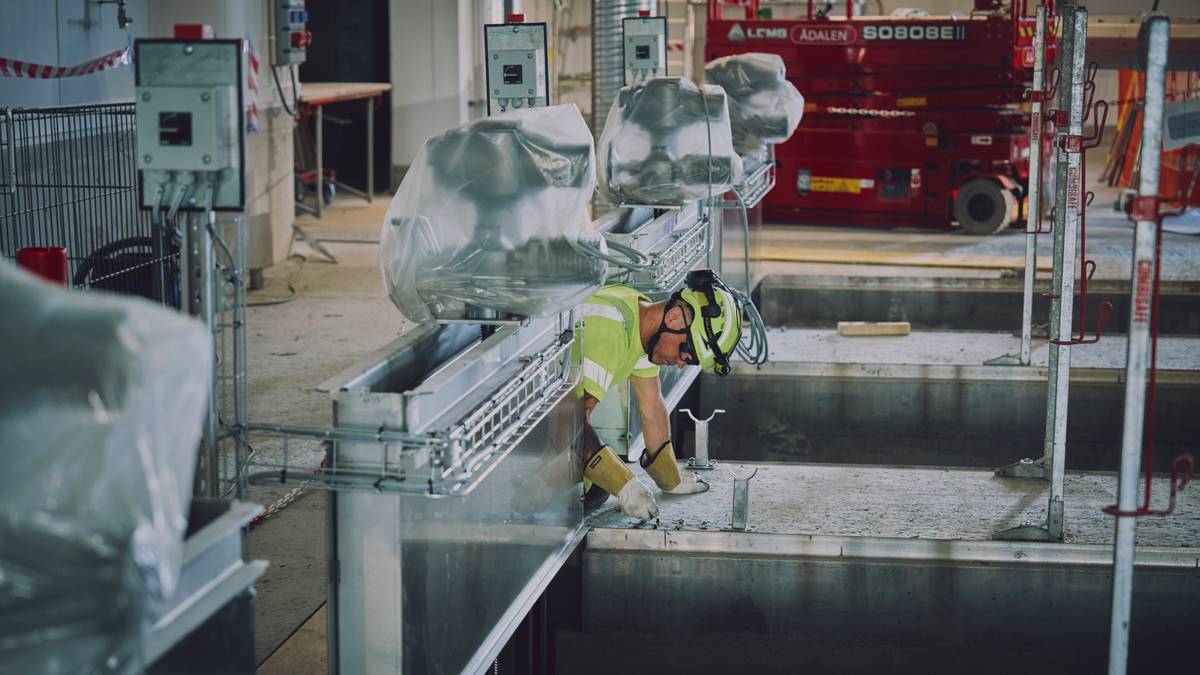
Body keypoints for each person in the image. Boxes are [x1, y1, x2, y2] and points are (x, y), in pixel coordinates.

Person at [574, 269, 742, 519]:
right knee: (597, 488)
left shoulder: (640, 323)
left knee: (599, 489)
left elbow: (652, 405)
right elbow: (569, 425)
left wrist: (670, 479)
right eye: (686, 352)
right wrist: (624, 485)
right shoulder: (609, 331)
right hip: (529, 451)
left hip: (561, 440)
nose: (682, 363)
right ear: (674, 317)